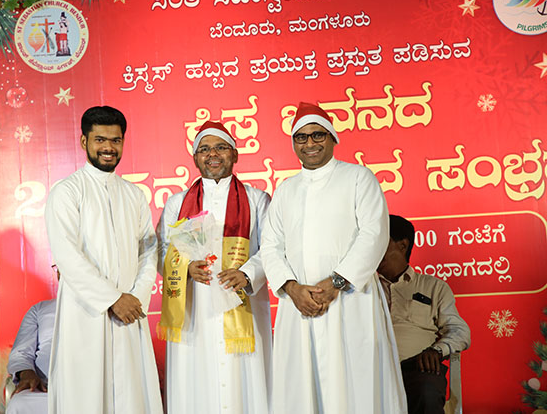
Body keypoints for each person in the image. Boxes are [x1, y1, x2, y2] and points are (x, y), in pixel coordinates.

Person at [260, 102, 407, 414]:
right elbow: (270, 246)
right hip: (299, 306)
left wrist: (336, 283)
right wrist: (292, 289)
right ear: (293, 143)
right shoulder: (286, 190)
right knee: (302, 391)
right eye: (301, 137)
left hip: (349, 301)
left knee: (356, 386)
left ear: (332, 138)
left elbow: (374, 234)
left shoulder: (359, 178)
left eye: (318, 135)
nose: (310, 143)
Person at [44, 106, 162, 414]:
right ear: (84, 142)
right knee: (86, 398)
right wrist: (112, 299)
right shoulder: (67, 192)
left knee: (131, 396)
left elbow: (149, 250)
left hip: (130, 312)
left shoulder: (134, 195)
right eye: (100, 140)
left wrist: (136, 297)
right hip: (86, 313)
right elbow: (67, 257)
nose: (108, 147)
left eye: (115, 140)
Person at [157, 121, 272, 413]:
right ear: (195, 158)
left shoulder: (257, 199)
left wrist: (247, 273)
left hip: (242, 303)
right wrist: (185, 268)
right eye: (205, 149)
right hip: (194, 307)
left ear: (235, 154)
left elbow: (273, 249)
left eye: (221, 147)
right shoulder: (177, 203)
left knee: (245, 382)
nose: (213, 154)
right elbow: (161, 250)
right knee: (195, 380)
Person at [377, 214, 471, 414]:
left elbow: (460, 331)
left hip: (417, 369)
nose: (373, 249)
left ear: (402, 245)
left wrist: (437, 351)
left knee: (426, 392)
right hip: (371, 369)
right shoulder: (363, 291)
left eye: (380, 240)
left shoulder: (434, 287)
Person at [6, 268, 57, 414]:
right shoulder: (40, 309)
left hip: (90, 390)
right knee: (19, 404)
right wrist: (27, 373)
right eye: (57, 268)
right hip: (46, 391)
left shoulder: (103, 308)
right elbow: (20, 353)